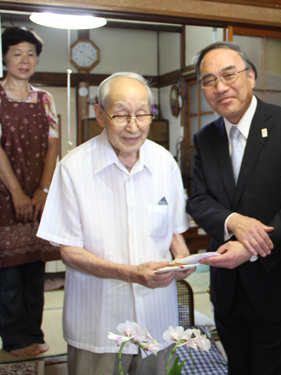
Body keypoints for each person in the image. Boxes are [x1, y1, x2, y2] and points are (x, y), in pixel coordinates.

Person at [37, 72, 194, 375]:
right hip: (98, 323)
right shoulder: (73, 168)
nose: (133, 126)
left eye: (142, 114)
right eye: (121, 115)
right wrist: (129, 273)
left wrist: (183, 256)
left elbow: (175, 230)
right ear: (100, 114)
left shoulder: (164, 163)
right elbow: (69, 251)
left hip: (157, 320)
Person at [186, 41, 281, 375]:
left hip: (276, 286)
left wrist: (250, 247)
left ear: (251, 76)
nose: (220, 87)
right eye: (209, 80)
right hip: (227, 289)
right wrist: (234, 221)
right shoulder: (205, 137)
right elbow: (198, 199)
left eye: (229, 74)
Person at [0, 26, 60, 357]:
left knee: (35, 270)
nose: (24, 60)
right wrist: (18, 193)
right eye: (17, 53)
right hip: (4, 197)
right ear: (5, 57)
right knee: (8, 273)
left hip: (39, 197)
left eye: (31, 54)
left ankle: (34, 333)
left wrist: (43, 190)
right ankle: (14, 340)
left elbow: (52, 148)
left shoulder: (45, 99)